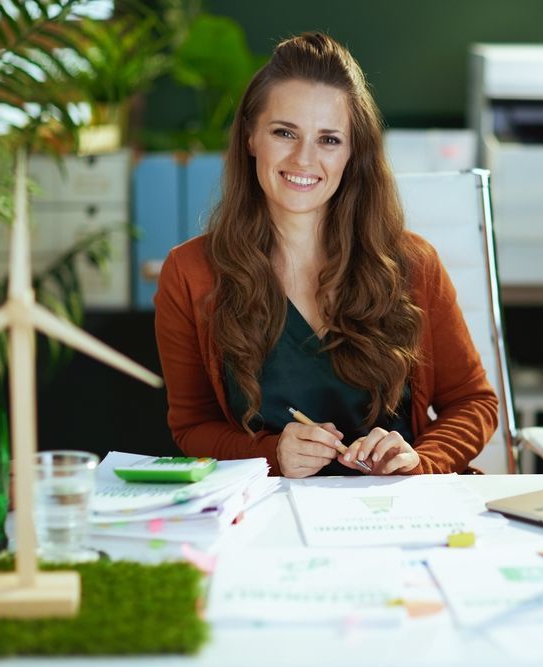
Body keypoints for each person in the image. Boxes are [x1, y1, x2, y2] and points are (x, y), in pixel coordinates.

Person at [154, 32, 498, 478]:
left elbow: (474, 403)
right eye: (284, 133)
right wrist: (273, 454)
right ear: (250, 138)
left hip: (398, 514)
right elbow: (192, 427)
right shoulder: (190, 272)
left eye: (329, 140)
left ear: (353, 153)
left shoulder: (414, 264)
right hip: (267, 518)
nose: (304, 159)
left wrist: (419, 460)